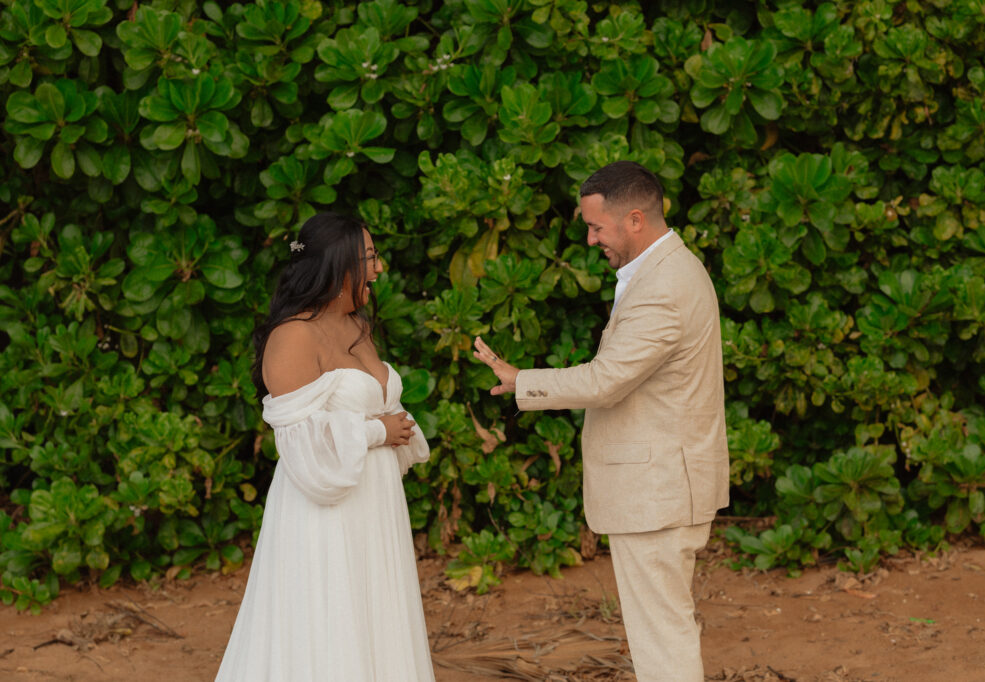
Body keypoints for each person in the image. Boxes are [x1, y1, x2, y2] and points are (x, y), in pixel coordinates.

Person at [473, 161, 729, 682]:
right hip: (661, 487)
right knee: (663, 629)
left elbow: (606, 381)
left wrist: (522, 380)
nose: (591, 239)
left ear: (635, 219)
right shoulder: (665, 272)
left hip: (658, 491)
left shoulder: (664, 286)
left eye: (596, 227)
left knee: (663, 635)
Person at [215, 213, 435, 681]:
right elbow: (299, 443)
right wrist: (379, 431)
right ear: (339, 265)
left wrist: (394, 427)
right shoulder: (292, 336)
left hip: (374, 502)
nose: (379, 269)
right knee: (327, 618)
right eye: (370, 258)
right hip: (323, 511)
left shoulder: (358, 325)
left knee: (374, 610)